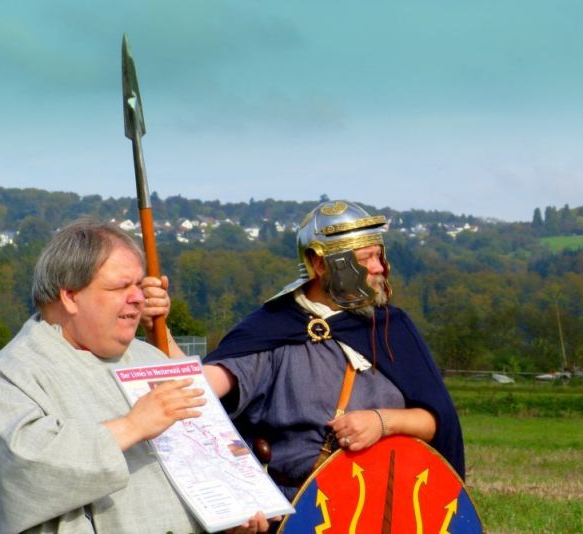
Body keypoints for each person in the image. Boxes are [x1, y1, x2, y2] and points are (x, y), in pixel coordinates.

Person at [0, 219, 270, 534]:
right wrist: (133, 426)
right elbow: (25, 469)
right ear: (70, 296)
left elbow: (200, 459)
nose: (139, 298)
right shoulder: (13, 376)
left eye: (139, 285)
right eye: (121, 286)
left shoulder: (151, 360)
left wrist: (225, 518)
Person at [145, 200, 464, 501]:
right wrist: (160, 328)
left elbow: (435, 420)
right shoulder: (272, 328)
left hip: (388, 510)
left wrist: (383, 422)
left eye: (379, 255)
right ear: (320, 263)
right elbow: (196, 387)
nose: (378, 267)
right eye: (365, 258)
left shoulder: (392, 328)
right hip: (302, 512)